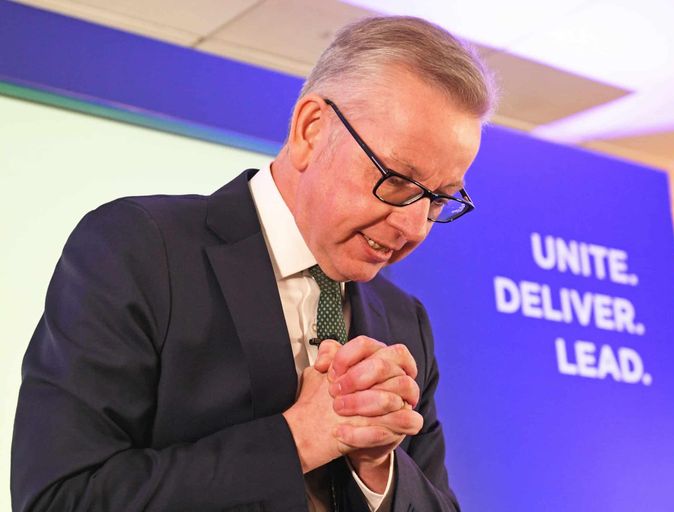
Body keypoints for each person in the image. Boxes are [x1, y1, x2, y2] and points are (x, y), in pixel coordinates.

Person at [11, 15, 496, 512]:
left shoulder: (405, 321)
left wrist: (377, 470)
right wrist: (298, 440)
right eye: (396, 180)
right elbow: (60, 497)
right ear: (311, 130)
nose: (414, 227)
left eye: (439, 199)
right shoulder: (138, 248)